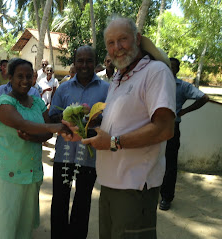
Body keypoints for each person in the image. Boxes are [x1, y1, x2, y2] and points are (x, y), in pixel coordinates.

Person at [63, 16, 176, 238]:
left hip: (135, 187)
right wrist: (85, 132)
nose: (117, 48)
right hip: (110, 183)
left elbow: (164, 128)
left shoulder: (155, 72)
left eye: (122, 39)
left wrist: (114, 142)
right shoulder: (118, 78)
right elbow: (119, 123)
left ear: (137, 38)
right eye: (111, 43)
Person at [0, 58, 71, 239]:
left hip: (32, 171)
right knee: (3, 222)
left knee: (23, 223)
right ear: (10, 77)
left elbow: (46, 132)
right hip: (8, 172)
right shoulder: (3, 103)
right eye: (20, 76)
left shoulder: (37, 102)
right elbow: (23, 123)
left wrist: (37, 135)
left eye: (29, 76)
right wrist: (50, 128)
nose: (25, 81)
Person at [49, 45, 110, 239]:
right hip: (63, 154)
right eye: (80, 60)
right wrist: (66, 118)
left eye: (89, 60)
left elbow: (111, 119)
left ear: (95, 63)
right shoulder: (64, 87)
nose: (84, 65)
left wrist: (94, 119)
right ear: (74, 62)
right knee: (59, 200)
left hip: (90, 155)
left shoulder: (106, 89)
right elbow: (51, 117)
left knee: (83, 202)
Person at [159, 57, 209, 211]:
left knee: (170, 164)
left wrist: (184, 111)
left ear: (177, 70)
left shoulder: (182, 86)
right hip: (153, 127)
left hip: (172, 129)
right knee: (151, 160)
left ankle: (166, 198)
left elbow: (204, 98)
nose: (170, 69)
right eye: (168, 66)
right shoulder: (157, 82)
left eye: (173, 67)